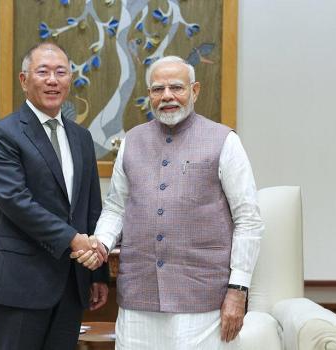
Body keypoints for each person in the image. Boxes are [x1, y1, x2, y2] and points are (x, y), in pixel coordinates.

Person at [73, 56, 264, 349]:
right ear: (149, 95)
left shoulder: (224, 141)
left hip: (203, 300)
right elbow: (116, 208)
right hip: (139, 298)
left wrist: (238, 290)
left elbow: (248, 219)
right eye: (157, 89)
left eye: (176, 87)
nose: (167, 96)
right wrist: (100, 244)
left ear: (195, 90)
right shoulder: (131, 142)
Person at [0, 42, 109, 350]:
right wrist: (74, 240)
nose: (53, 80)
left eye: (61, 72)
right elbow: (15, 201)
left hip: (71, 283)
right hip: (21, 282)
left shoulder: (82, 137)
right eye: (43, 72)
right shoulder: (2, 134)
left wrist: (98, 273)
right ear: (24, 81)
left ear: (70, 81)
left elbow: (92, 206)